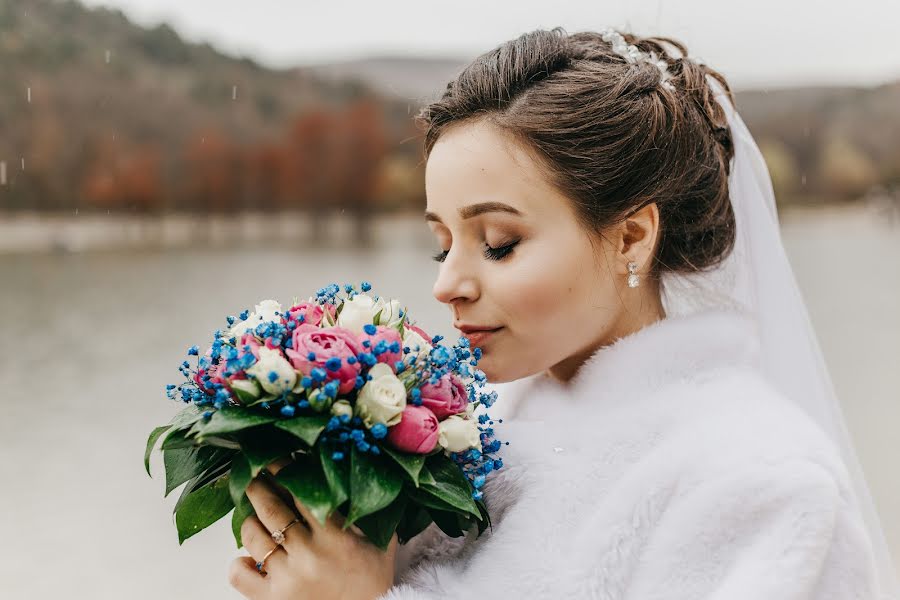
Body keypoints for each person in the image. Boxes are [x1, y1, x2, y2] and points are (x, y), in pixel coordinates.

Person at [228, 27, 900, 599]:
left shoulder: (760, 485)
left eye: (499, 244)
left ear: (632, 237)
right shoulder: (464, 436)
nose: (449, 285)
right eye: (442, 246)